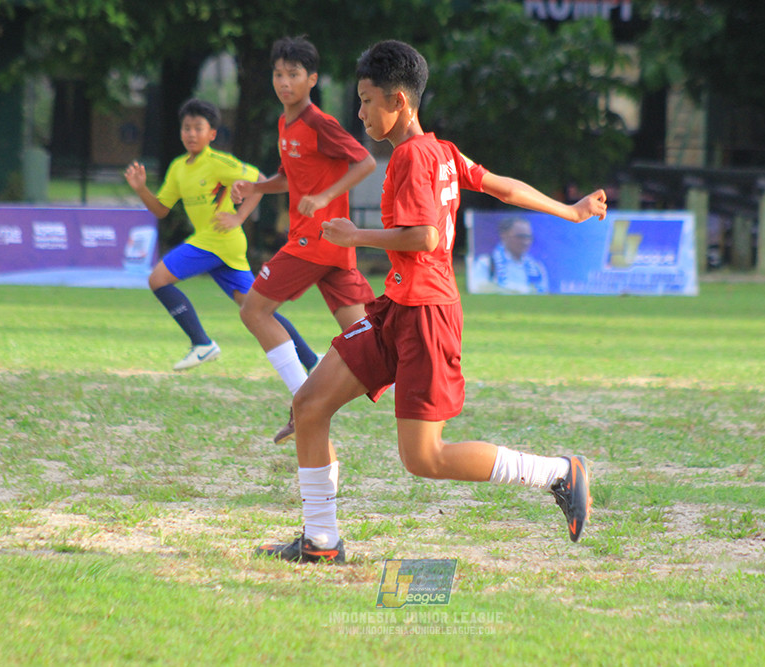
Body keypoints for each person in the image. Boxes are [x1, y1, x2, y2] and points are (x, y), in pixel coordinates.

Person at [255, 40, 608, 564]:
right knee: (309, 405)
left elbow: (424, 237)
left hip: (426, 316)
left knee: (424, 458)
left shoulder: (413, 156)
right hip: (396, 308)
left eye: (367, 101)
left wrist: (355, 236)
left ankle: (558, 473)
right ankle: (320, 542)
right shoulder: (442, 152)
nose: (360, 113)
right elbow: (502, 187)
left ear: (399, 100)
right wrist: (570, 210)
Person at [231, 36, 377, 444]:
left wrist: (326, 197)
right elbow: (289, 178)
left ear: (312, 79)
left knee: (254, 311)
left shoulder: (318, 122)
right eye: (278, 74)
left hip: (315, 238)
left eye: (293, 74)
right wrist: (256, 187)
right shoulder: (286, 124)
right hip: (331, 246)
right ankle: (421, 369)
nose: (284, 82)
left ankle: (302, 400)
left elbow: (365, 161)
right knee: (368, 338)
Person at [125, 98, 317, 373]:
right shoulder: (178, 167)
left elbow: (260, 181)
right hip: (218, 244)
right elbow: (161, 210)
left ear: (212, 134)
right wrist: (141, 189)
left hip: (218, 239)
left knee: (157, 279)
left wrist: (239, 217)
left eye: (198, 128)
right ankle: (311, 360)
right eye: (186, 128)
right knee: (257, 310)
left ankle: (201, 343)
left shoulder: (218, 162)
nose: (191, 134)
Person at [470, 216, 550, 293]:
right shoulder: (486, 263)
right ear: (504, 236)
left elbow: (543, 293)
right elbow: (477, 289)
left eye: (528, 237)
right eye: (520, 237)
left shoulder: (537, 268)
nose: (525, 242)